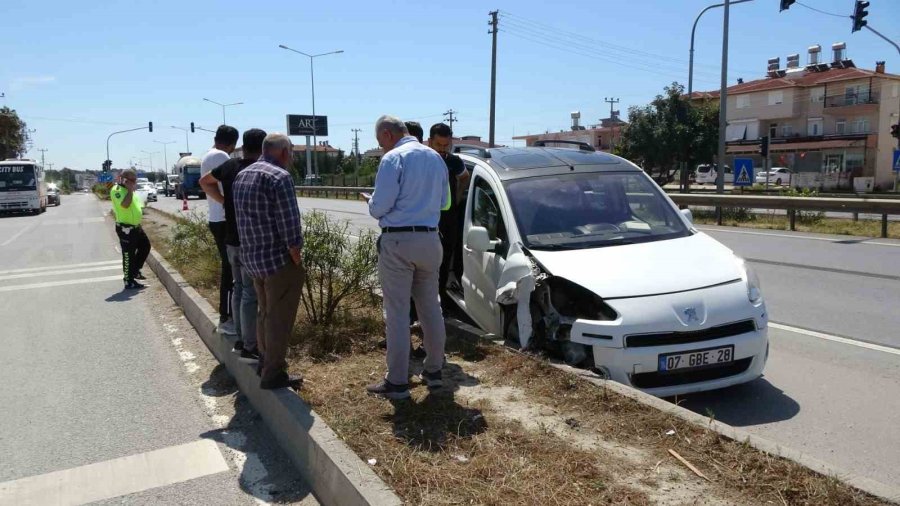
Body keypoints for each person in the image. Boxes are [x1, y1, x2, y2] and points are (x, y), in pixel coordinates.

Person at [365, 115, 449, 400]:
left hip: (399, 241)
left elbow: (379, 207)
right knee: (430, 308)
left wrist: (373, 204)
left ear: (388, 135)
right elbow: (443, 202)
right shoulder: (436, 158)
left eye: (380, 142)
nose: (382, 148)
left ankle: (398, 381)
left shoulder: (393, 159)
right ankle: (434, 370)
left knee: (398, 312)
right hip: (430, 238)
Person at [233, 133, 305, 390]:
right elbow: (289, 225)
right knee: (279, 319)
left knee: (264, 314)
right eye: (292, 152)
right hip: (277, 262)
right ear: (284, 152)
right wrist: (296, 255)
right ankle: (273, 373)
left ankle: (265, 363)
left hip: (252, 260)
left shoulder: (244, 174)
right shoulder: (279, 177)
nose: (292, 157)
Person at [199, 128, 266, 363]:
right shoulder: (256, 168)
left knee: (238, 287)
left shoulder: (229, 166)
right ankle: (249, 346)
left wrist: (224, 201)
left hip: (230, 235)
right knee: (249, 292)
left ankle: (240, 338)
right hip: (248, 239)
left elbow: (204, 181)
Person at [201, 125, 240, 335]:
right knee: (230, 270)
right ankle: (226, 317)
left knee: (230, 268)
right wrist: (226, 202)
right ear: (232, 144)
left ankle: (228, 316)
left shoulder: (209, 154)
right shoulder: (222, 157)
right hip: (223, 220)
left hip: (218, 219)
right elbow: (208, 183)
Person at [428, 123, 469, 300]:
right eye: (439, 145)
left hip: (447, 220)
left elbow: (464, 178)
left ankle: (441, 300)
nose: (443, 149)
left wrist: (457, 198)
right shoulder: (424, 160)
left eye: (447, 145)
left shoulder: (453, 161)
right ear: (430, 142)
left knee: (444, 263)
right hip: (427, 220)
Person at [110, 169, 151, 290]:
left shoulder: (131, 191)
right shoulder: (117, 191)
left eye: (135, 179)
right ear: (124, 180)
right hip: (125, 228)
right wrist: (129, 190)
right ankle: (129, 281)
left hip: (136, 226)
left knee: (145, 246)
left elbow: (136, 205)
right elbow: (125, 205)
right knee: (128, 254)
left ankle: (135, 271)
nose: (135, 182)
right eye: (132, 180)